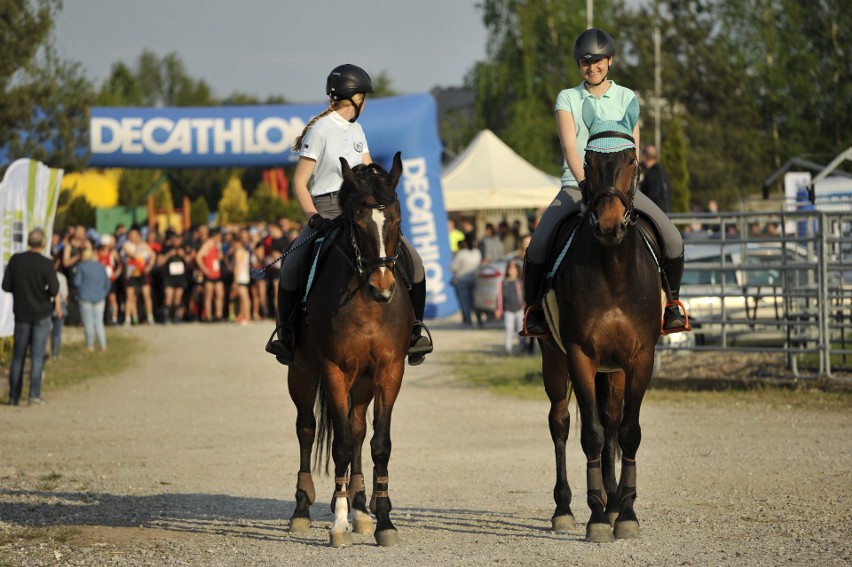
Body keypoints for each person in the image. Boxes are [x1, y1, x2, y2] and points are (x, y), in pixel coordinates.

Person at [521, 28, 689, 337]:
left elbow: (633, 151)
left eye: (598, 61)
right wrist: (586, 184)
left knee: (673, 238)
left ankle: (672, 305)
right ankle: (534, 312)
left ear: (610, 60)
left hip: (621, 190)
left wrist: (622, 188)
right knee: (537, 246)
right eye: (586, 62)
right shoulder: (568, 98)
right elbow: (570, 147)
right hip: (578, 186)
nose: (592, 67)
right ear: (579, 65)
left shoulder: (626, 97)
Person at [266, 64, 433, 366]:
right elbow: (299, 182)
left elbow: (367, 170)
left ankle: (415, 331)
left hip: (361, 210)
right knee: (291, 265)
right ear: (355, 97)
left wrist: (383, 186)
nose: (365, 103)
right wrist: (313, 216)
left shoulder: (357, 130)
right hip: (326, 209)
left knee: (414, 261)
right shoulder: (320, 130)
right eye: (364, 97)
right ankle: (287, 335)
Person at [2, 228, 60, 406]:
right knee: (37, 355)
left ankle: (14, 397)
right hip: (41, 312)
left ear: (28, 242)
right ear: (43, 244)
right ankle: (34, 395)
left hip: (21, 313)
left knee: (18, 356)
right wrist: (42, 292)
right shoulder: (46, 263)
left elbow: (6, 286)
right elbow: (54, 289)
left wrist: (21, 290)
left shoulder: (16, 260)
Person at [74, 248, 111, 352]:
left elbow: (77, 282)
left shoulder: (81, 267)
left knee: (88, 322)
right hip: (100, 297)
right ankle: (103, 345)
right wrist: (103, 293)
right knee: (99, 322)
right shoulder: (101, 267)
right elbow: (107, 284)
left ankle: (90, 345)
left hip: (85, 297)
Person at [121, 227, 156, 325]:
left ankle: (150, 317)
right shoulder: (126, 245)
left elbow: (152, 255)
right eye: (131, 235)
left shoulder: (144, 245)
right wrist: (139, 247)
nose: (134, 237)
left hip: (142, 273)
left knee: (146, 294)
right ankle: (128, 319)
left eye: (136, 235)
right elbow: (133, 255)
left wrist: (149, 266)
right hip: (131, 273)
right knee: (130, 296)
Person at [157, 230, 190, 324]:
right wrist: (168, 255)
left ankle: (176, 317)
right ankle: (166, 317)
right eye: (174, 239)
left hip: (181, 277)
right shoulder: (166, 248)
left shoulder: (184, 248)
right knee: (168, 296)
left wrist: (183, 255)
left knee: (178, 297)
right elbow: (159, 262)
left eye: (178, 239)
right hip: (169, 276)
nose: (176, 241)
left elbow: (190, 262)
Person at [450, 237, 482, 327]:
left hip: (462, 280)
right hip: (475, 280)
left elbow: (453, 268)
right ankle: (479, 320)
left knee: (465, 302)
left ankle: (468, 321)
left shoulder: (461, 254)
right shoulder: (477, 252)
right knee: (476, 301)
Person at [495, 259, 525, 355]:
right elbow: (499, 297)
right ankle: (508, 349)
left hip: (520, 309)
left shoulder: (519, 282)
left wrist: (525, 307)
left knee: (521, 330)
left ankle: (522, 347)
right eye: (510, 268)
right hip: (508, 310)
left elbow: (523, 295)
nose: (512, 271)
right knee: (509, 329)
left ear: (517, 270)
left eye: (514, 268)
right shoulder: (503, 282)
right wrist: (499, 309)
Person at [196, 229, 225, 322]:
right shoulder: (207, 244)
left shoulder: (217, 246)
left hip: (217, 273)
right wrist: (204, 269)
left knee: (220, 294)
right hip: (209, 273)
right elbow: (198, 257)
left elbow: (220, 258)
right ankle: (208, 315)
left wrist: (219, 248)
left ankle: (218, 314)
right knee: (209, 295)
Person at [640, 145, 672, 214]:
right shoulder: (664, 172)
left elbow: (652, 197)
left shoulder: (651, 174)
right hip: (667, 215)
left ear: (645, 158)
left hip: (656, 215)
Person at [49, 258, 68, 361]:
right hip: (59, 304)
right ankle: (55, 354)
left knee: (46, 332)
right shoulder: (61, 277)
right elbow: (65, 295)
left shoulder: (42, 276)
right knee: (57, 332)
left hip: (46, 305)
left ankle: (46, 352)